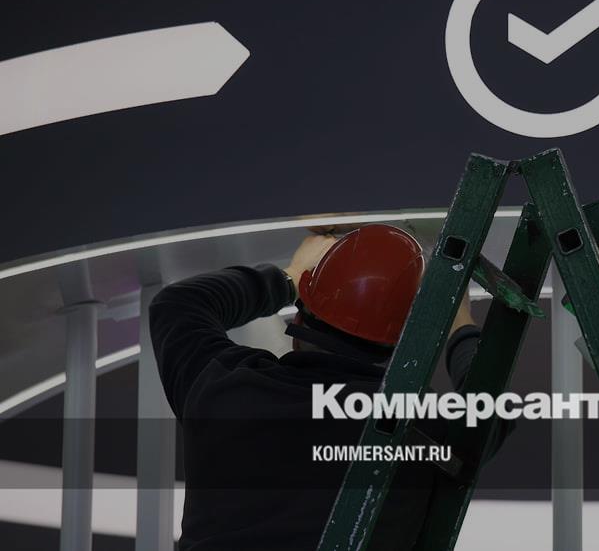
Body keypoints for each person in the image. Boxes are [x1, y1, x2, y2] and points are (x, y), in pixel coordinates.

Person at [149, 224, 489, 551]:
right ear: (397, 345)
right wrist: (459, 321)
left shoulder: (223, 387)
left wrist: (290, 278)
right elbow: (488, 409)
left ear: (299, 318)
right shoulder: (416, 424)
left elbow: (178, 304)